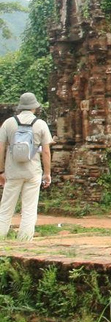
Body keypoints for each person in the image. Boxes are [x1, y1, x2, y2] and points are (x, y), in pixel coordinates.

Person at [0, 93, 52, 241]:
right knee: (29, 209)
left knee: (5, 209)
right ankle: (24, 241)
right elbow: (46, 151)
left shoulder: (9, 123)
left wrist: (1, 171)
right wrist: (47, 173)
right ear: (34, 108)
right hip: (33, 172)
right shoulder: (40, 124)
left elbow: (1, 148)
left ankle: (0, 239)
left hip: (12, 172)